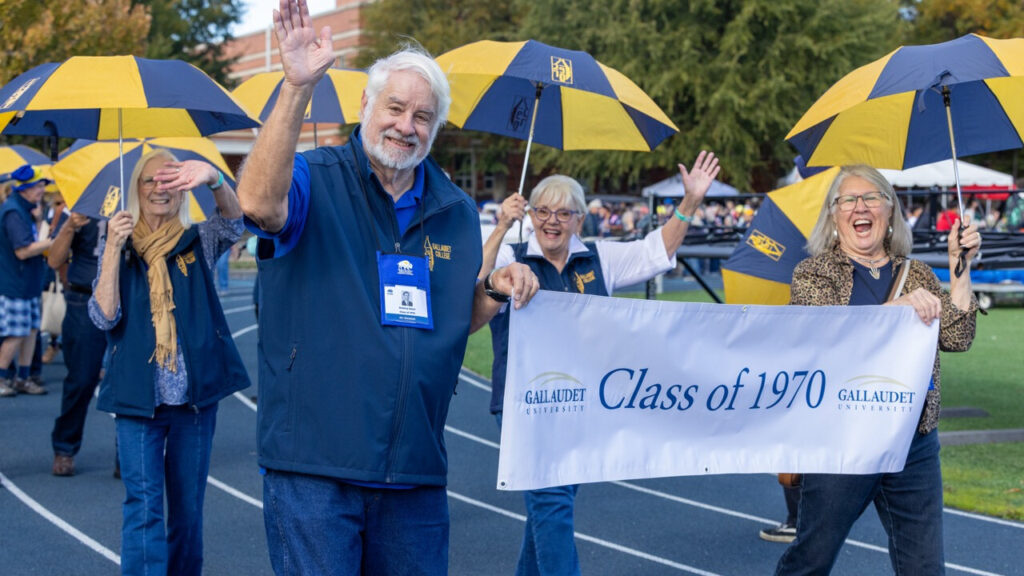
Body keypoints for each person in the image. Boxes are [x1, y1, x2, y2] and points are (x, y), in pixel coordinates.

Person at [235, 2, 538, 574]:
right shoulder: (314, 177)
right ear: (365, 107)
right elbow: (256, 204)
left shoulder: (453, 209)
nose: (407, 125)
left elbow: (452, 317)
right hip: (316, 467)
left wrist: (494, 290)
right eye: (395, 107)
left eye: (423, 116)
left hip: (414, 469)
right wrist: (297, 86)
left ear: (436, 128)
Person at [480, 152, 720, 576]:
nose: (552, 221)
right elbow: (474, 295)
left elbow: (656, 250)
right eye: (542, 211)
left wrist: (690, 202)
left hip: (582, 403)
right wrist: (501, 226)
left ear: (580, 219)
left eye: (564, 213)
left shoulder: (599, 257)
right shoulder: (509, 258)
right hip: (525, 404)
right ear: (530, 214)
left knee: (550, 506)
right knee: (551, 503)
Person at [775, 164, 980, 575]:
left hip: (913, 443)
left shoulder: (917, 272)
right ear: (833, 216)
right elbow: (827, 339)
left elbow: (956, 337)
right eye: (847, 199)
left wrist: (961, 267)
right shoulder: (814, 273)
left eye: (871, 197)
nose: (859, 207)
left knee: (923, 567)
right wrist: (895, 312)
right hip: (844, 439)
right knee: (811, 560)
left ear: (889, 212)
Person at [90, 148, 251, 575]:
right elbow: (104, 316)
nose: (159, 190)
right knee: (143, 507)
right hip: (136, 402)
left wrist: (216, 180)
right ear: (136, 191)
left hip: (193, 404)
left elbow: (235, 222)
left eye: (169, 182)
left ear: (181, 191)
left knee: (187, 508)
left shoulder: (198, 239)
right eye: (150, 182)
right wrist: (111, 250)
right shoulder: (118, 245)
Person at [47, 208, 107, 477]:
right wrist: (69, 226)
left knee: (132, 380)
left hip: (130, 297)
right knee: (81, 380)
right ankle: (64, 447)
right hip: (85, 298)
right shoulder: (79, 202)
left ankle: (128, 455)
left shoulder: (140, 196)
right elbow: (54, 260)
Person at [0, 165, 53, 396]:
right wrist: (56, 241)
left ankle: (23, 377)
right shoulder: (13, 212)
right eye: (39, 186)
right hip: (15, 284)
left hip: (26, 282)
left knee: (31, 330)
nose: (42, 190)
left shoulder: (23, 209)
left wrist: (40, 220)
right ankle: (2, 377)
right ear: (25, 189)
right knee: (17, 332)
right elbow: (22, 251)